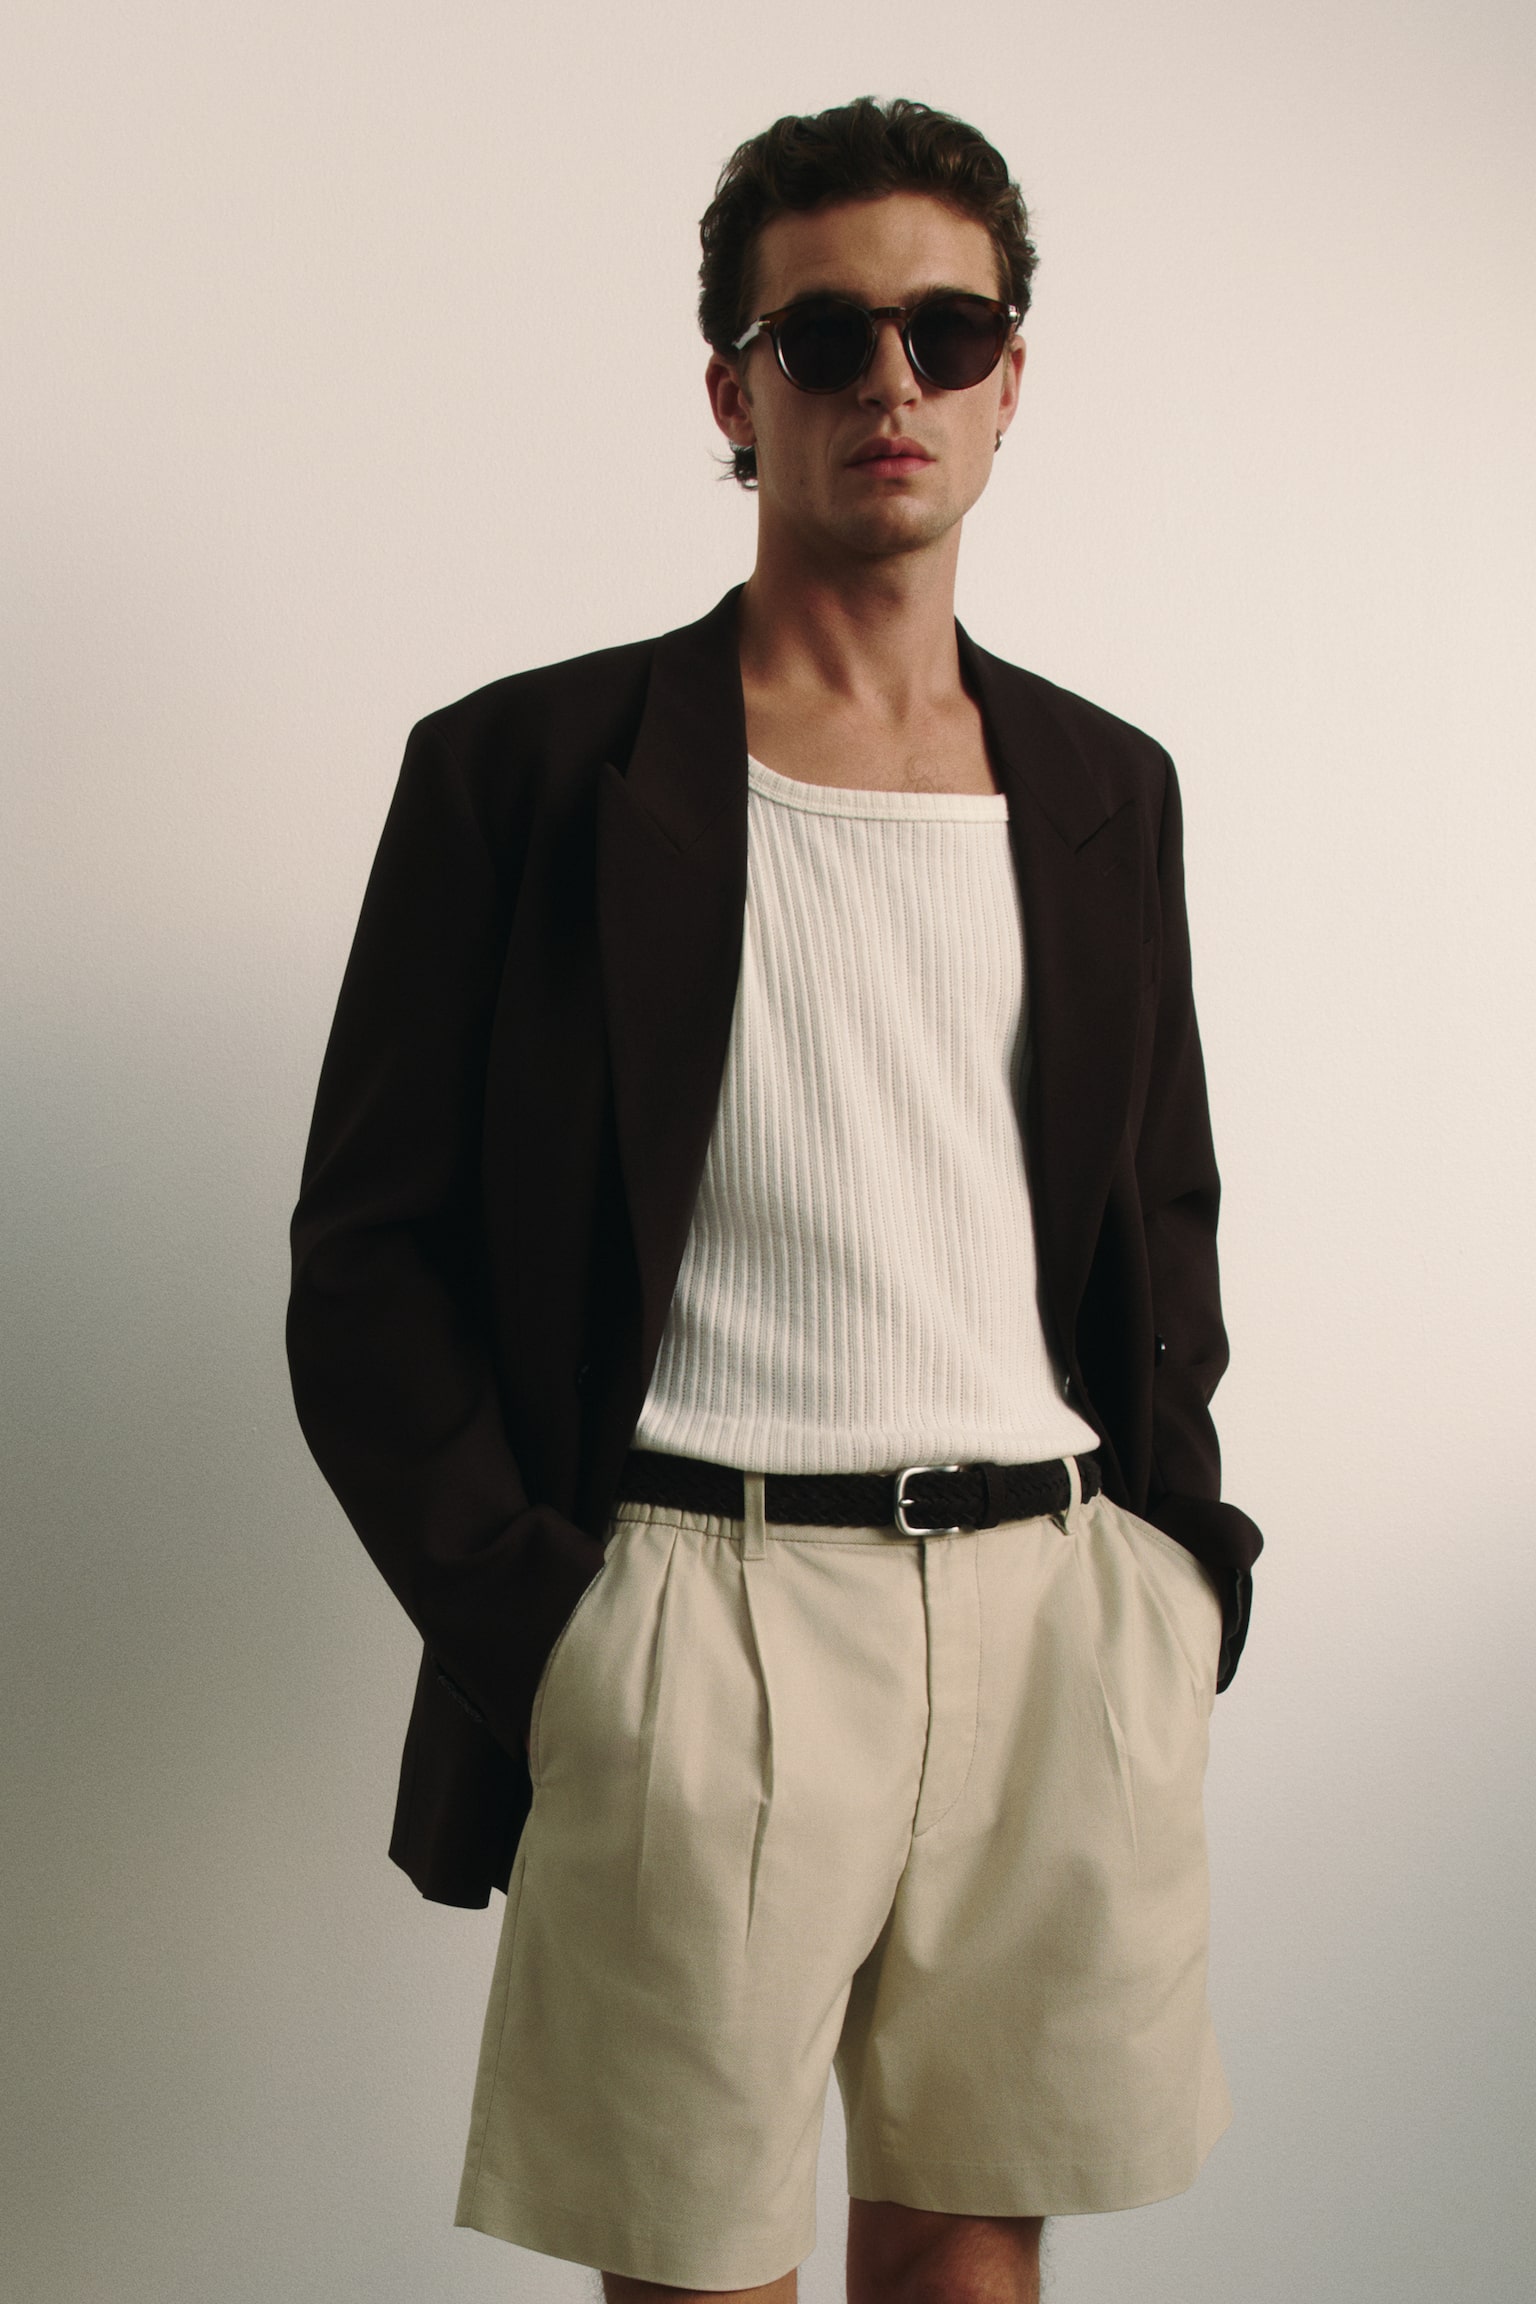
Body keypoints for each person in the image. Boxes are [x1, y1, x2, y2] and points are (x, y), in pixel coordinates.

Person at [287, 94, 1261, 2304]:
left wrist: (1176, 1570)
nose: (890, 382)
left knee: (967, 2272)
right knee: (697, 2281)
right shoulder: (527, 774)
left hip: (1052, 1620)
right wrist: (548, 1631)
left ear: (1011, 378)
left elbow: (1165, 1206)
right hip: (695, 1621)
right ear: (735, 395)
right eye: (826, 338)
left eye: (946, 332)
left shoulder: (1104, 790)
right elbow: (363, 1269)